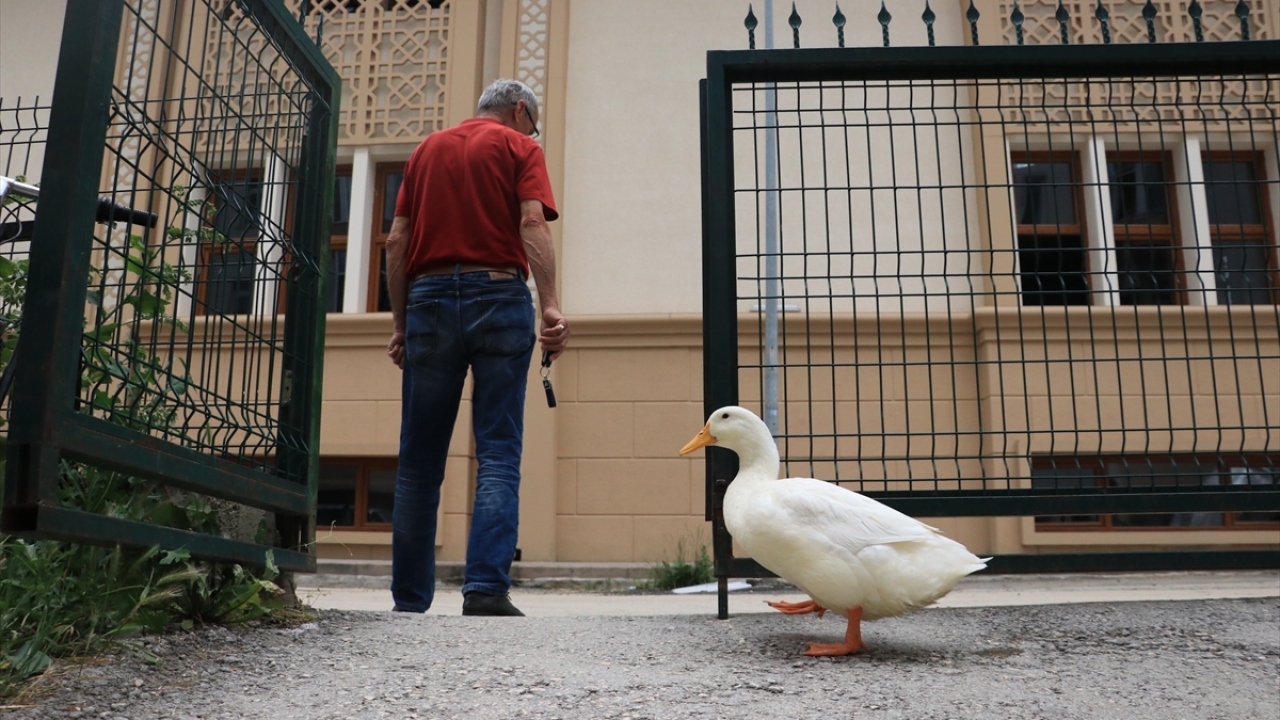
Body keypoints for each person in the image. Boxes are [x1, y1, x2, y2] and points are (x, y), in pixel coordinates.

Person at [384, 79, 568, 616]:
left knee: (419, 461)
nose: (533, 131)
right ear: (519, 111)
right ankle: (485, 588)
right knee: (498, 452)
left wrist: (401, 324)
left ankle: (410, 600)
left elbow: (397, 239)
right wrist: (551, 304)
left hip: (430, 302)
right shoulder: (520, 147)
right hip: (499, 296)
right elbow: (531, 221)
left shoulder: (424, 151)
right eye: (532, 121)